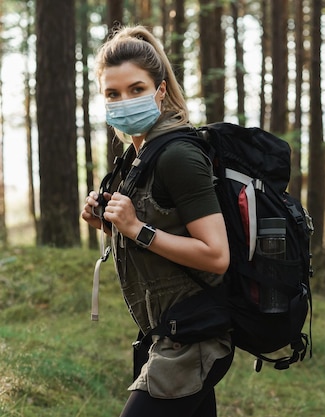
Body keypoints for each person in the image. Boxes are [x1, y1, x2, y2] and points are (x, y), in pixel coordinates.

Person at [80, 25, 233, 417]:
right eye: (112, 94)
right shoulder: (140, 158)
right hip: (167, 332)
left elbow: (216, 255)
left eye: (136, 89)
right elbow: (168, 234)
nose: (124, 101)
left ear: (160, 91)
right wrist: (110, 224)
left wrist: (135, 229)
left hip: (193, 338)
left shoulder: (177, 155)